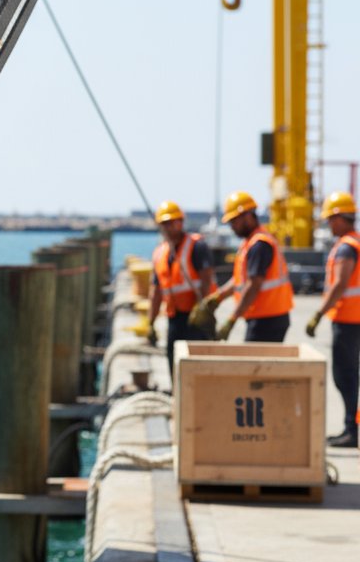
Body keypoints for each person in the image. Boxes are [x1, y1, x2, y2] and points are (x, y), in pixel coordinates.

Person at [191, 190, 293, 342]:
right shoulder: (249, 243)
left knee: (257, 365)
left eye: (234, 221)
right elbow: (240, 280)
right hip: (264, 317)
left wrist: (232, 319)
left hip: (268, 319)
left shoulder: (259, 245)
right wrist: (218, 297)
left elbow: (253, 285)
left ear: (247, 216)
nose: (232, 227)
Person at [306, 192, 360, 448]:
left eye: (331, 219)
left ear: (341, 218)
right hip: (353, 319)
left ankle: (352, 430)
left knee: (345, 376)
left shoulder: (347, 247)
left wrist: (318, 314)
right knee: (351, 377)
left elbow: (340, 284)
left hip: (348, 320)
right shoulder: (355, 242)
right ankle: (352, 428)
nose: (329, 224)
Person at [146, 200, 216, 373]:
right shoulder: (159, 253)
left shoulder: (196, 246)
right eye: (164, 224)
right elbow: (156, 291)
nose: (167, 228)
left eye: (171, 223)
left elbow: (206, 279)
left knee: (199, 365)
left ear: (181, 222)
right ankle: (176, 397)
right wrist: (151, 322)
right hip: (174, 317)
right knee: (173, 360)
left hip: (196, 317)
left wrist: (203, 309)